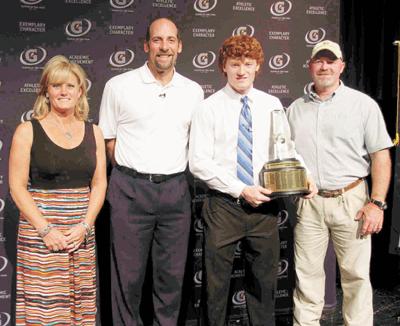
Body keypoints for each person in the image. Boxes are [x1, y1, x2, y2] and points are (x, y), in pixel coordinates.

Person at [189, 35, 316, 326]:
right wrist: (240, 189)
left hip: (264, 208)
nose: (241, 70)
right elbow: (198, 162)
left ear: (258, 66)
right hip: (223, 207)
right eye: (235, 64)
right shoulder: (208, 108)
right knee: (215, 285)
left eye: (247, 63)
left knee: (263, 284)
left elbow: (286, 148)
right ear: (224, 66)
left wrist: (304, 174)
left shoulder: (270, 104)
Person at [98, 17, 204, 325]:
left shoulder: (193, 91)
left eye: (170, 40)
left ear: (180, 47)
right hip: (130, 190)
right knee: (127, 281)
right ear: (146, 45)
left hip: (175, 192)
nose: (164, 46)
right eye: (157, 40)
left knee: (170, 281)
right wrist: (136, 176)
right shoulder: (118, 86)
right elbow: (109, 142)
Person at [286, 40, 393, 326]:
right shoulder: (295, 109)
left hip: (353, 201)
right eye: (319, 61)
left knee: (356, 278)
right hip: (309, 203)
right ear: (310, 66)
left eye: (330, 61)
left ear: (341, 66)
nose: (324, 66)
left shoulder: (363, 105)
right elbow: (287, 156)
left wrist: (377, 204)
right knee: (307, 278)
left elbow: (380, 157)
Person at [9, 55, 107, 325]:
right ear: (46, 91)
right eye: (56, 85)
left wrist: (85, 226)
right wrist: (45, 230)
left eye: (70, 86)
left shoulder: (94, 132)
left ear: (80, 91)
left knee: (80, 307)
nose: (63, 92)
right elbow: (17, 187)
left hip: (80, 235)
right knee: (46, 310)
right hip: (41, 236)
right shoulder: (27, 131)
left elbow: (99, 184)